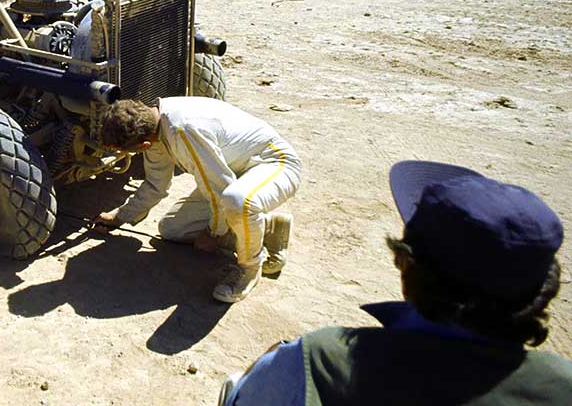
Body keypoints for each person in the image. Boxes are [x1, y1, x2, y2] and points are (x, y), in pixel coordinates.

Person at [223, 160, 572, 406]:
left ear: (406, 269)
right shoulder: (562, 383)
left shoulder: (321, 360)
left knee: (241, 385)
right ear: (543, 293)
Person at [93, 97, 301, 303]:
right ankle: (270, 227)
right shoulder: (152, 123)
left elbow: (219, 189)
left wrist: (214, 233)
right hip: (231, 173)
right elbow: (156, 184)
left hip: (274, 163)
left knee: (237, 201)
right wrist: (121, 216)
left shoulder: (182, 130)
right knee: (172, 229)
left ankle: (249, 268)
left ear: (143, 144)